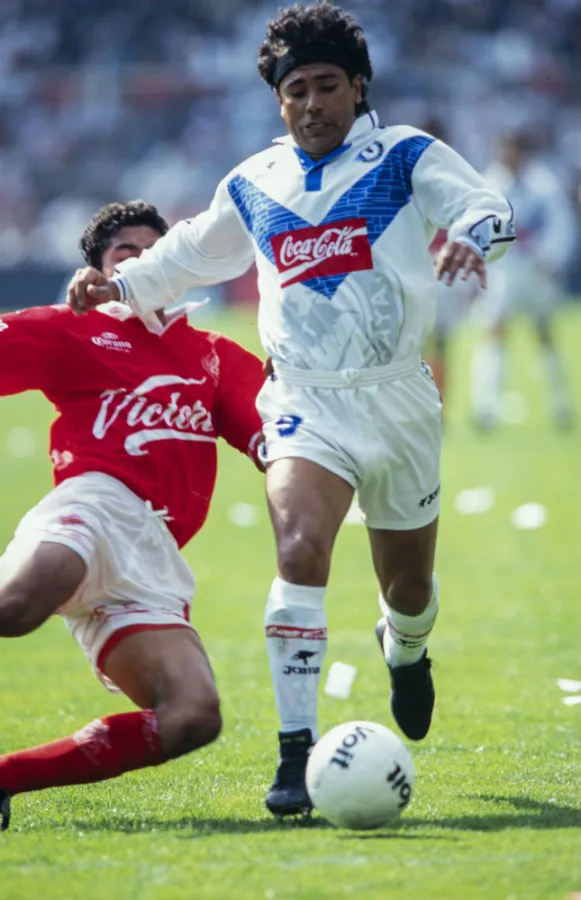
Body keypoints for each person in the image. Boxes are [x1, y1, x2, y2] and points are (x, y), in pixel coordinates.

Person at [67, 2, 516, 820]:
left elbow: (486, 206)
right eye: (296, 90)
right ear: (278, 101)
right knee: (300, 549)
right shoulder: (254, 181)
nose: (311, 104)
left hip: (398, 399)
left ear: (358, 87)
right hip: (305, 399)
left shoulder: (404, 154)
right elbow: (187, 253)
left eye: (326, 86)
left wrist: (471, 237)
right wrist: (115, 286)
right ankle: (295, 752)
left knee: (408, 588)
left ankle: (405, 649)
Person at [0, 200, 265, 831]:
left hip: (153, 557)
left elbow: (280, 442)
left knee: (194, 716)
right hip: (94, 506)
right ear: (97, 271)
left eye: (154, 252)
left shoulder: (215, 355)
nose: (143, 262)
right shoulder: (74, 328)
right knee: (15, 608)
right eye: (126, 253)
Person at [470, 131, 576, 429]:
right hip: (504, 272)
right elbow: (476, 226)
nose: (506, 156)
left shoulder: (544, 185)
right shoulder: (488, 183)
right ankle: (487, 408)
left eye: (511, 149)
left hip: (537, 270)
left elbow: (561, 224)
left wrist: (551, 259)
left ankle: (560, 404)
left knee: (544, 334)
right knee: (494, 332)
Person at [420, 117, 482, 407]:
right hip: (418, 266)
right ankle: (429, 404)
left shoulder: (454, 177)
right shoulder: (409, 174)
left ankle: (438, 404)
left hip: (444, 268)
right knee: (419, 346)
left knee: (439, 343)